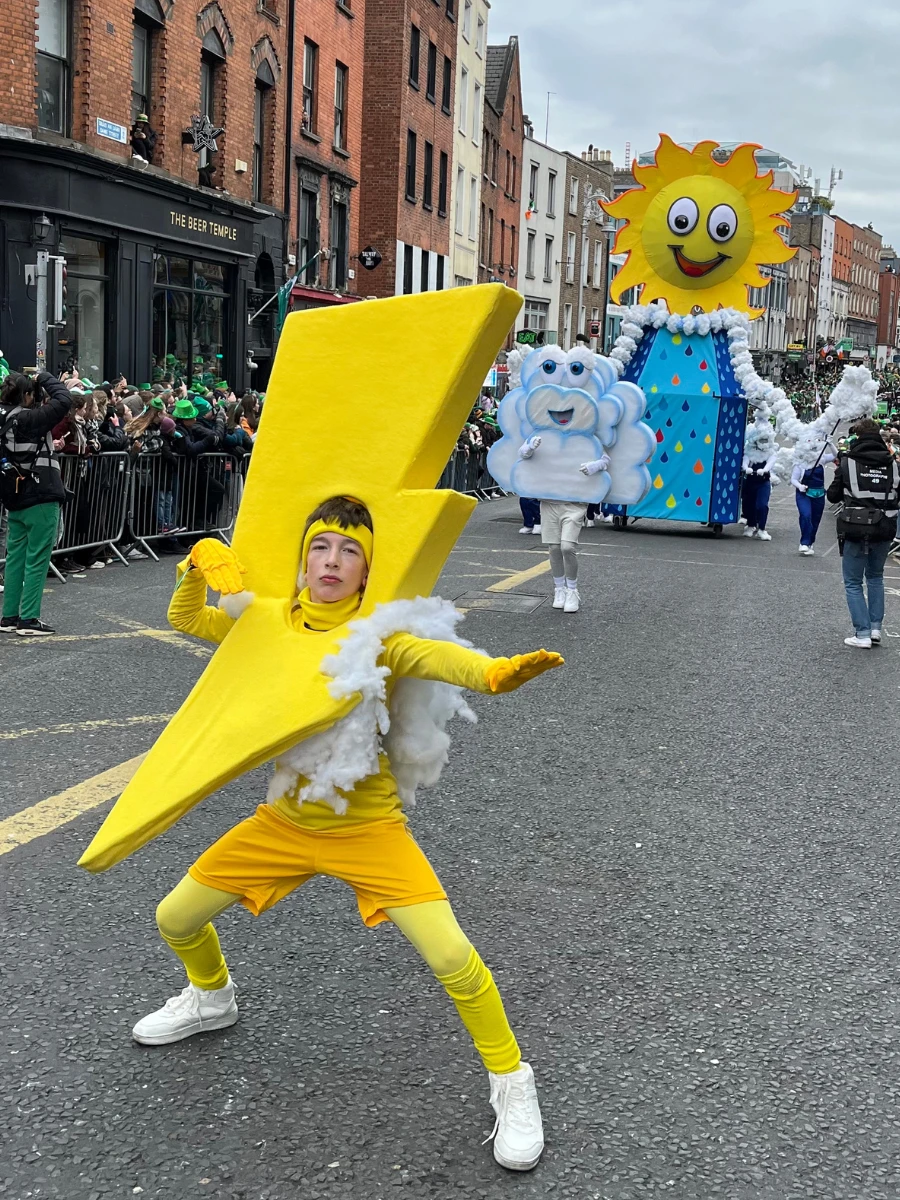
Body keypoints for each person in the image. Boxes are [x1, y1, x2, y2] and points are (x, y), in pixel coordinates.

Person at [132, 496, 562, 1172]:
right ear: (303, 560)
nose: (332, 561)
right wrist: (193, 566)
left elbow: (437, 656)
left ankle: (512, 1080)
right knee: (175, 918)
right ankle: (212, 997)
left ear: (367, 570)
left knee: (453, 957)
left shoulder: (378, 637)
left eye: (350, 550)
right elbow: (187, 619)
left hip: (368, 830)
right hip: (282, 823)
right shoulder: (267, 623)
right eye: (321, 547)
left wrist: (491, 673)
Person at [0, 371, 73, 635]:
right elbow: (64, 400)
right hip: (40, 493)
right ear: (27, 395)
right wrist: (45, 377)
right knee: (37, 559)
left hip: (14, 494)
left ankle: (9, 616)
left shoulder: (4, 417)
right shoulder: (28, 418)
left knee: (15, 558)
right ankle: (29, 618)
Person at [826, 417, 900, 648]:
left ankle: (862, 633)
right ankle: (876, 628)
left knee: (853, 581)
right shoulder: (893, 463)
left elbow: (833, 496)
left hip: (856, 526)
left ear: (857, 436)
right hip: (885, 525)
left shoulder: (847, 462)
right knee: (876, 576)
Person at [791, 438, 836, 556]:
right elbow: (794, 479)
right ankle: (804, 542)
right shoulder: (800, 463)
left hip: (819, 494)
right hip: (804, 494)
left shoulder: (822, 459)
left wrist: (830, 444)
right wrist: (800, 486)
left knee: (815, 519)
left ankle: (810, 542)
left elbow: (836, 455)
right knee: (805, 515)